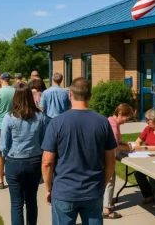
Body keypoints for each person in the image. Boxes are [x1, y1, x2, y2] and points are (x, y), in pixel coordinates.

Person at [41, 77, 117, 225]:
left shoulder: (57, 122)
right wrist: (102, 185)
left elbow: (47, 162)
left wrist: (49, 188)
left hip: (64, 191)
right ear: (90, 96)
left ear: (70, 95)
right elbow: (111, 160)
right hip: (92, 191)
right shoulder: (103, 122)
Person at [0, 83, 47, 225]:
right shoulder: (40, 116)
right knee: (31, 200)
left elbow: (3, 144)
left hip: (14, 160)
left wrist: (7, 155)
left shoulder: (9, 117)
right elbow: (44, 140)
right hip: (34, 161)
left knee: (16, 203)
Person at [103, 103, 134, 219]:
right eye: (127, 118)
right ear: (120, 114)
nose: (127, 121)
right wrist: (128, 148)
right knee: (110, 180)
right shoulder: (114, 126)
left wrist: (123, 143)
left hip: (102, 156)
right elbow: (114, 146)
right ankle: (106, 209)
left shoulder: (110, 121)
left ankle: (106, 202)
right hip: (106, 157)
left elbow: (116, 141)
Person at [0, 73, 15, 189]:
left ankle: (0, 180)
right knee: (12, 153)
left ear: (1, 80)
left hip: (0, 126)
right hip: (15, 125)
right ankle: (13, 178)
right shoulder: (16, 92)